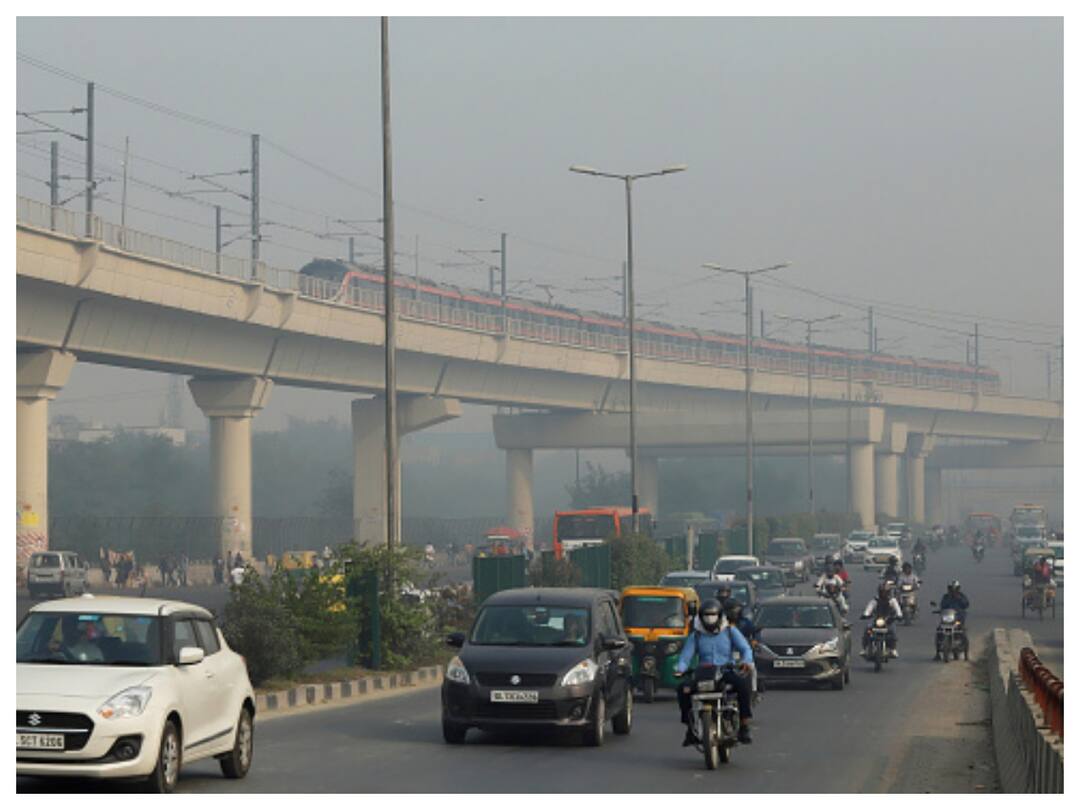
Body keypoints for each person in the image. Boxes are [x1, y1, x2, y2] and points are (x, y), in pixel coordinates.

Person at [674, 599, 755, 746]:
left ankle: (744, 725)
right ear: (701, 616)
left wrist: (746, 661)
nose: (710, 619)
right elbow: (685, 657)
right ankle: (690, 728)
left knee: (743, 685)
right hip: (703, 672)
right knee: (683, 689)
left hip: (725, 670)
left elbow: (745, 649)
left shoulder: (730, 631)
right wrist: (680, 669)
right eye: (706, 615)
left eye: (713, 615)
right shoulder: (697, 635)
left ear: (719, 616)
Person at [861, 582, 902, 658]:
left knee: (892, 631)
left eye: (885, 592)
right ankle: (864, 649)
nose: (883, 594)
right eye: (882, 592)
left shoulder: (892, 601)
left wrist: (899, 615)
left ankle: (893, 649)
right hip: (877, 620)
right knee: (867, 629)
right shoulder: (875, 600)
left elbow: (897, 609)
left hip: (888, 621)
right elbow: (869, 608)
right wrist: (865, 614)